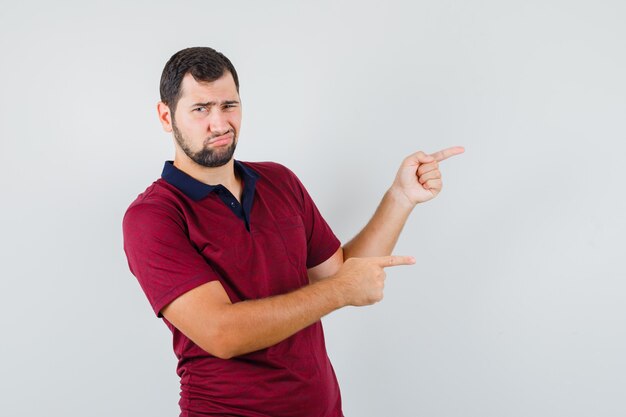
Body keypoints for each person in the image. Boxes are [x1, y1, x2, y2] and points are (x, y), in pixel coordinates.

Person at [123, 46, 464, 417]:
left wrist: (400, 197)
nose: (219, 124)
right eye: (201, 109)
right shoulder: (153, 217)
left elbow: (340, 271)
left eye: (229, 106)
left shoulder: (279, 181)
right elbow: (222, 333)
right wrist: (339, 291)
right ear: (165, 115)